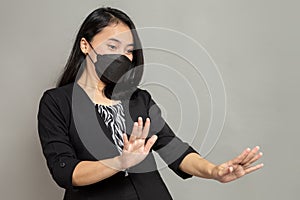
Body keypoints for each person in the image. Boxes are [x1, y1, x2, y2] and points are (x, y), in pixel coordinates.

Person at [37, 7, 263, 200]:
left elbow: (173, 148)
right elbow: (64, 171)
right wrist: (120, 161)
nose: (122, 57)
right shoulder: (57, 103)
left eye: (129, 51)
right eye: (112, 46)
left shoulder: (138, 100)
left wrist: (214, 171)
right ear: (86, 46)